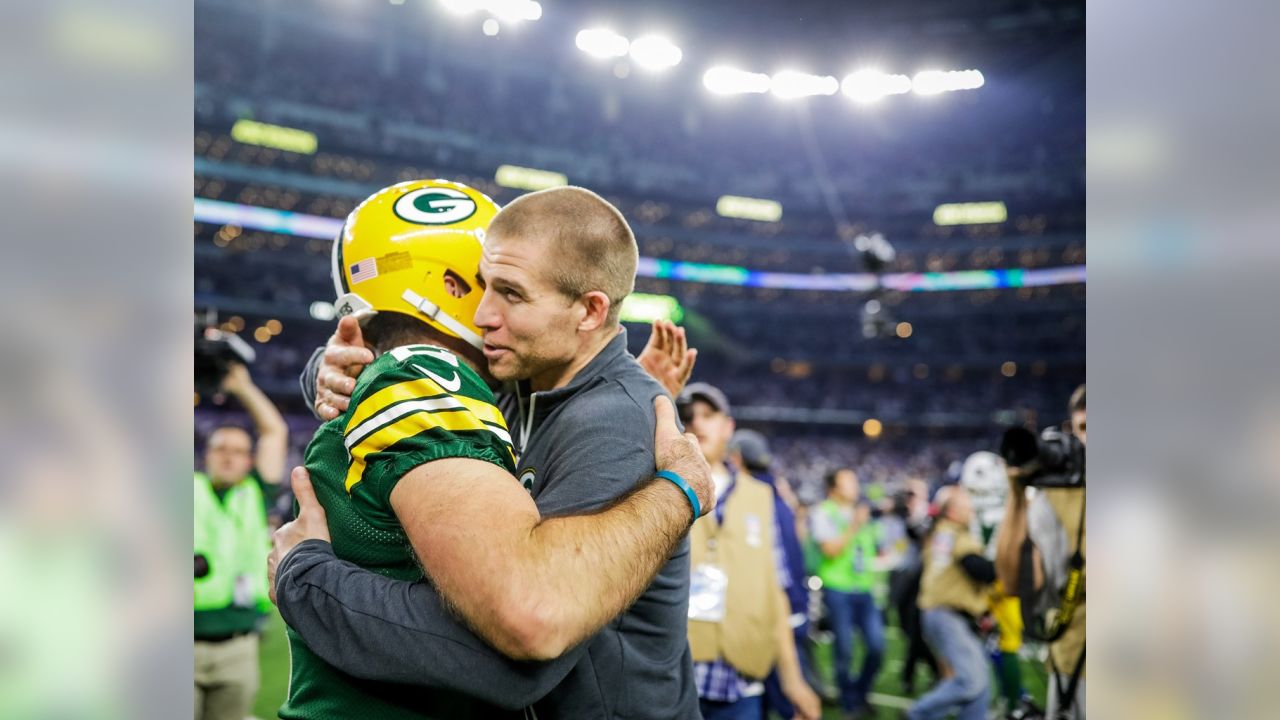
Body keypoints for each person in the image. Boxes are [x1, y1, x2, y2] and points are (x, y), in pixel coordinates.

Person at [269, 180, 713, 719]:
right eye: (483, 287)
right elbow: (415, 367)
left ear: (590, 311)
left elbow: (513, 649)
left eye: (511, 294)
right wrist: (333, 367)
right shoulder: (528, 387)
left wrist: (306, 576)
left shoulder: (615, 421)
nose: (480, 315)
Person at [677, 383, 821, 720]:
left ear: (728, 427)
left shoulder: (761, 497)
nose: (697, 421)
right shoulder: (658, 487)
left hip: (741, 683)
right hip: (672, 679)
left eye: (708, 415)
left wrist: (793, 680)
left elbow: (775, 594)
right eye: (687, 416)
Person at [194, 362, 287, 720]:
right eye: (221, 449)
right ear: (207, 455)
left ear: (250, 460)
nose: (229, 456)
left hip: (239, 643)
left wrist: (242, 386)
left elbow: (274, 430)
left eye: (238, 450)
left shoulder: (255, 493)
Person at [996, 386, 1086, 720]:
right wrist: (1017, 497)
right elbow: (1012, 582)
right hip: (1073, 662)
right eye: (1084, 428)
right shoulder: (1054, 498)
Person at [728, 429, 818, 718]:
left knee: (788, 705)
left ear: (737, 458)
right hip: (795, 607)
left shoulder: (751, 499)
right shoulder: (781, 499)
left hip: (771, 617)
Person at [907, 486, 996, 720]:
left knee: (981, 686)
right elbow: (979, 568)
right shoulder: (955, 533)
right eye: (967, 507)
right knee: (970, 681)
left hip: (941, 613)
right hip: (947, 615)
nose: (971, 511)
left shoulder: (941, 533)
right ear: (953, 512)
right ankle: (917, 714)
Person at [811, 468, 886, 719]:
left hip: (863, 589)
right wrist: (854, 525)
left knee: (877, 646)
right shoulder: (823, 512)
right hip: (837, 589)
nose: (856, 486)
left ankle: (860, 692)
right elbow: (830, 549)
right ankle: (849, 703)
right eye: (849, 482)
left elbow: (874, 548)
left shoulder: (863, 513)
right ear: (834, 488)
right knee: (844, 649)